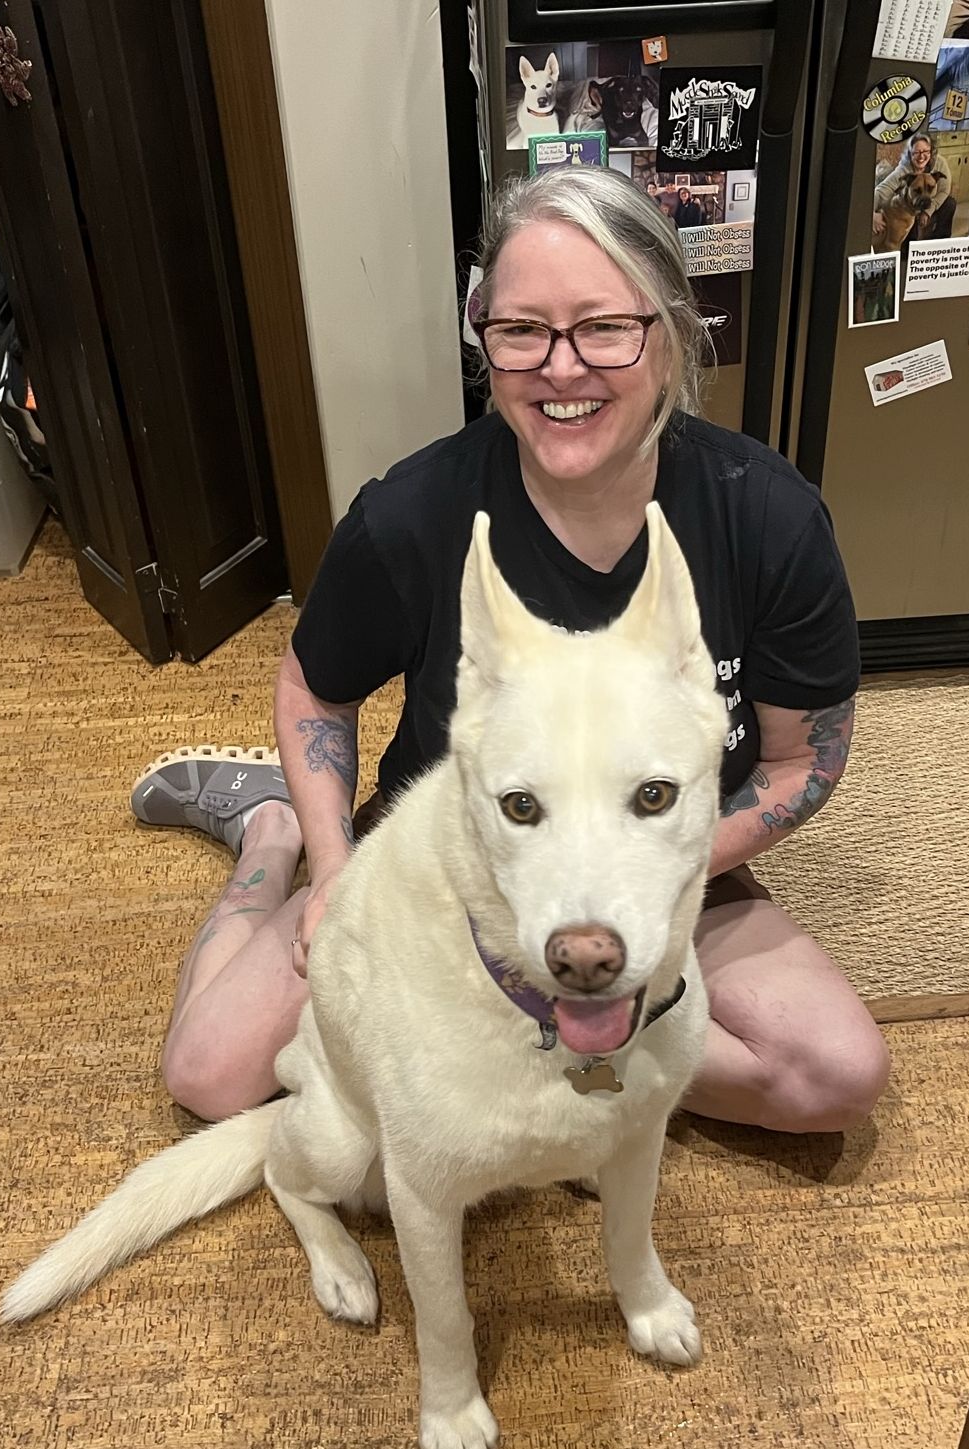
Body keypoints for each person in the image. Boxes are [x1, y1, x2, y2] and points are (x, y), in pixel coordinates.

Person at [133, 167, 890, 1135]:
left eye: (604, 327)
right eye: (523, 330)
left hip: (659, 856)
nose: (560, 368)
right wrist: (330, 868)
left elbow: (801, 762)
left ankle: (556, 1041)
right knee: (209, 1073)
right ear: (486, 341)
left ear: (670, 334)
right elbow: (310, 690)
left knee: (832, 1076)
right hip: (447, 857)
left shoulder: (768, 517)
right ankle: (267, 835)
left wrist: (651, 879)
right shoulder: (410, 516)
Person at [873, 132, 956, 246]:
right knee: (907, 207)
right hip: (912, 204)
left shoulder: (940, 163)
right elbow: (882, 190)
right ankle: (908, 250)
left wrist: (928, 212)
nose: (921, 156)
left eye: (926, 151)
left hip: (932, 202)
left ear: (931, 151)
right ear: (910, 154)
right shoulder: (904, 169)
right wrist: (871, 214)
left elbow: (944, 190)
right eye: (916, 152)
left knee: (950, 203)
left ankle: (940, 246)